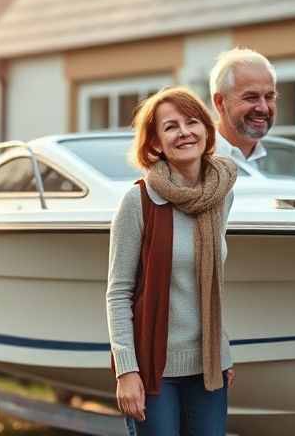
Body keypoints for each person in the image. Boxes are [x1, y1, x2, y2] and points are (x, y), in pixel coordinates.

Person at [106, 86, 238, 436]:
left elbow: (210, 282)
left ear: (207, 131)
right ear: (155, 143)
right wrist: (126, 371)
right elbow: (118, 293)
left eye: (192, 121)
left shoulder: (220, 195)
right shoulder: (139, 201)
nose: (184, 132)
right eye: (171, 126)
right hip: (153, 371)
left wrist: (222, 351)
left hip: (208, 369)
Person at [209, 48, 277, 168]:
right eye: (251, 97)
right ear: (220, 102)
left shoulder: (283, 160)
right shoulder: (196, 161)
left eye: (269, 97)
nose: (264, 108)